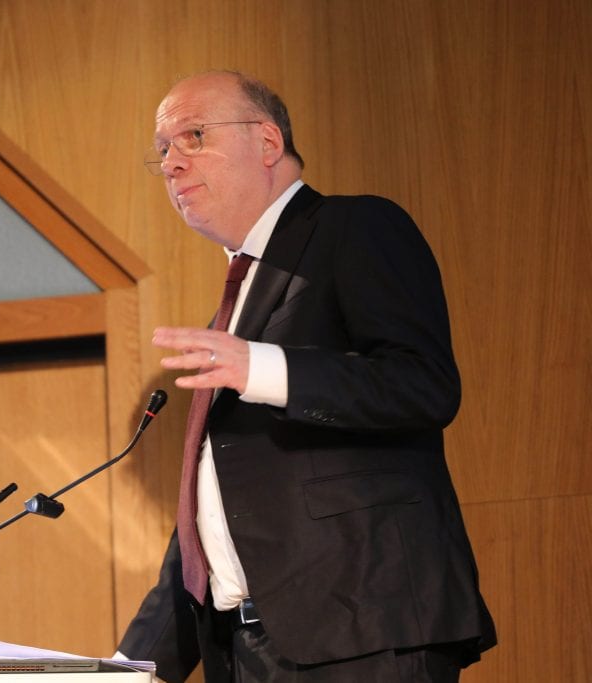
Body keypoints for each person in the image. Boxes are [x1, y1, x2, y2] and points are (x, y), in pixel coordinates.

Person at [116, 71, 496, 682]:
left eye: (193, 136)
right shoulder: (230, 312)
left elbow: (422, 383)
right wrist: (132, 669)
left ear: (267, 142)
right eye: (162, 150)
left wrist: (262, 367)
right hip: (248, 656)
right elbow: (212, 517)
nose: (171, 164)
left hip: (363, 634)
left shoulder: (356, 227)